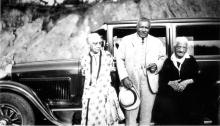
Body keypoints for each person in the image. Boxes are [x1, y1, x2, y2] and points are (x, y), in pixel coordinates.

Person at [116, 17, 166, 126]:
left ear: (149, 28)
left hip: (149, 82)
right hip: (131, 81)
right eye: (141, 27)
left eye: (146, 27)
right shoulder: (126, 40)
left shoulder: (156, 42)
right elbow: (119, 59)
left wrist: (156, 65)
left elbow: (162, 57)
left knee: (146, 116)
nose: (144, 30)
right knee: (130, 116)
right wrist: (124, 77)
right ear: (137, 27)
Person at [80, 33, 124, 126]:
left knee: (107, 119)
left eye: (100, 43)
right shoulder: (84, 58)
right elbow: (84, 77)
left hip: (104, 92)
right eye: (95, 43)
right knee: (90, 119)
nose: (98, 46)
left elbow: (113, 75)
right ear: (89, 44)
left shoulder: (107, 56)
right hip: (90, 94)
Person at [153, 37, 199, 124]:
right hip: (171, 97)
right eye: (179, 47)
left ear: (186, 49)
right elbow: (162, 80)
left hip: (188, 97)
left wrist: (186, 82)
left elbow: (197, 78)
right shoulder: (168, 61)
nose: (181, 50)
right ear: (175, 47)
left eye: (184, 47)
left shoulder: (191, 60)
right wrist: (170, 83)